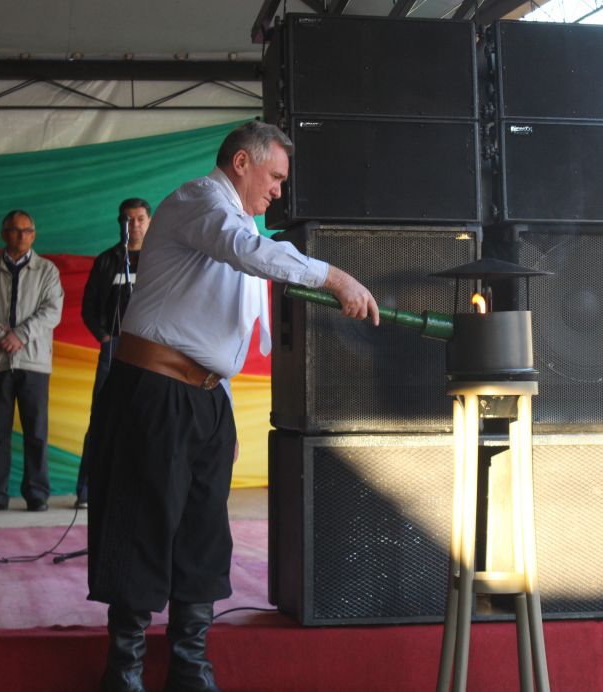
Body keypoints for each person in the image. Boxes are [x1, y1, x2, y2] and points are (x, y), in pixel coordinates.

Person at [87, 121, 379, 692]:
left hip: (203, 397)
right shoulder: (200, 200)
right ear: (242, 162)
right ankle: (124, 672)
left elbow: (225, 329)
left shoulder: (242, 225)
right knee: (144, 522)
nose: (278, 191)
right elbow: (248, 254)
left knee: (202, 533)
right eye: (275, 177)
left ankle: (189, 667)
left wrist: (217, 408)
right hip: (155, 390)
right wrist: (333, 276)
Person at [0, 210, 64, 513]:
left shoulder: (47, 270)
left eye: (27, 230)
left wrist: (20, 335)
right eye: (14, 230)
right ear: (3, 234)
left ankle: (37, 494)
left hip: (33, 362)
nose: (21, 236)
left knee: (36, 431)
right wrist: (1, 336)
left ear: (34, 235)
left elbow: (52, 311)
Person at [74, 198, 152, 509]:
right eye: (128, 219)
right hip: (113, 348)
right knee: (102, 417)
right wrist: (105, 336)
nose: (134, 225)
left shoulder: (160, 257)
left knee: (147, 418)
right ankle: (87, 489)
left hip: (149, 349)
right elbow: (89, 306)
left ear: (149, 221)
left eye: (140, 219)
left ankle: (140, 488)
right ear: (120, 223)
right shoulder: (108, 260)